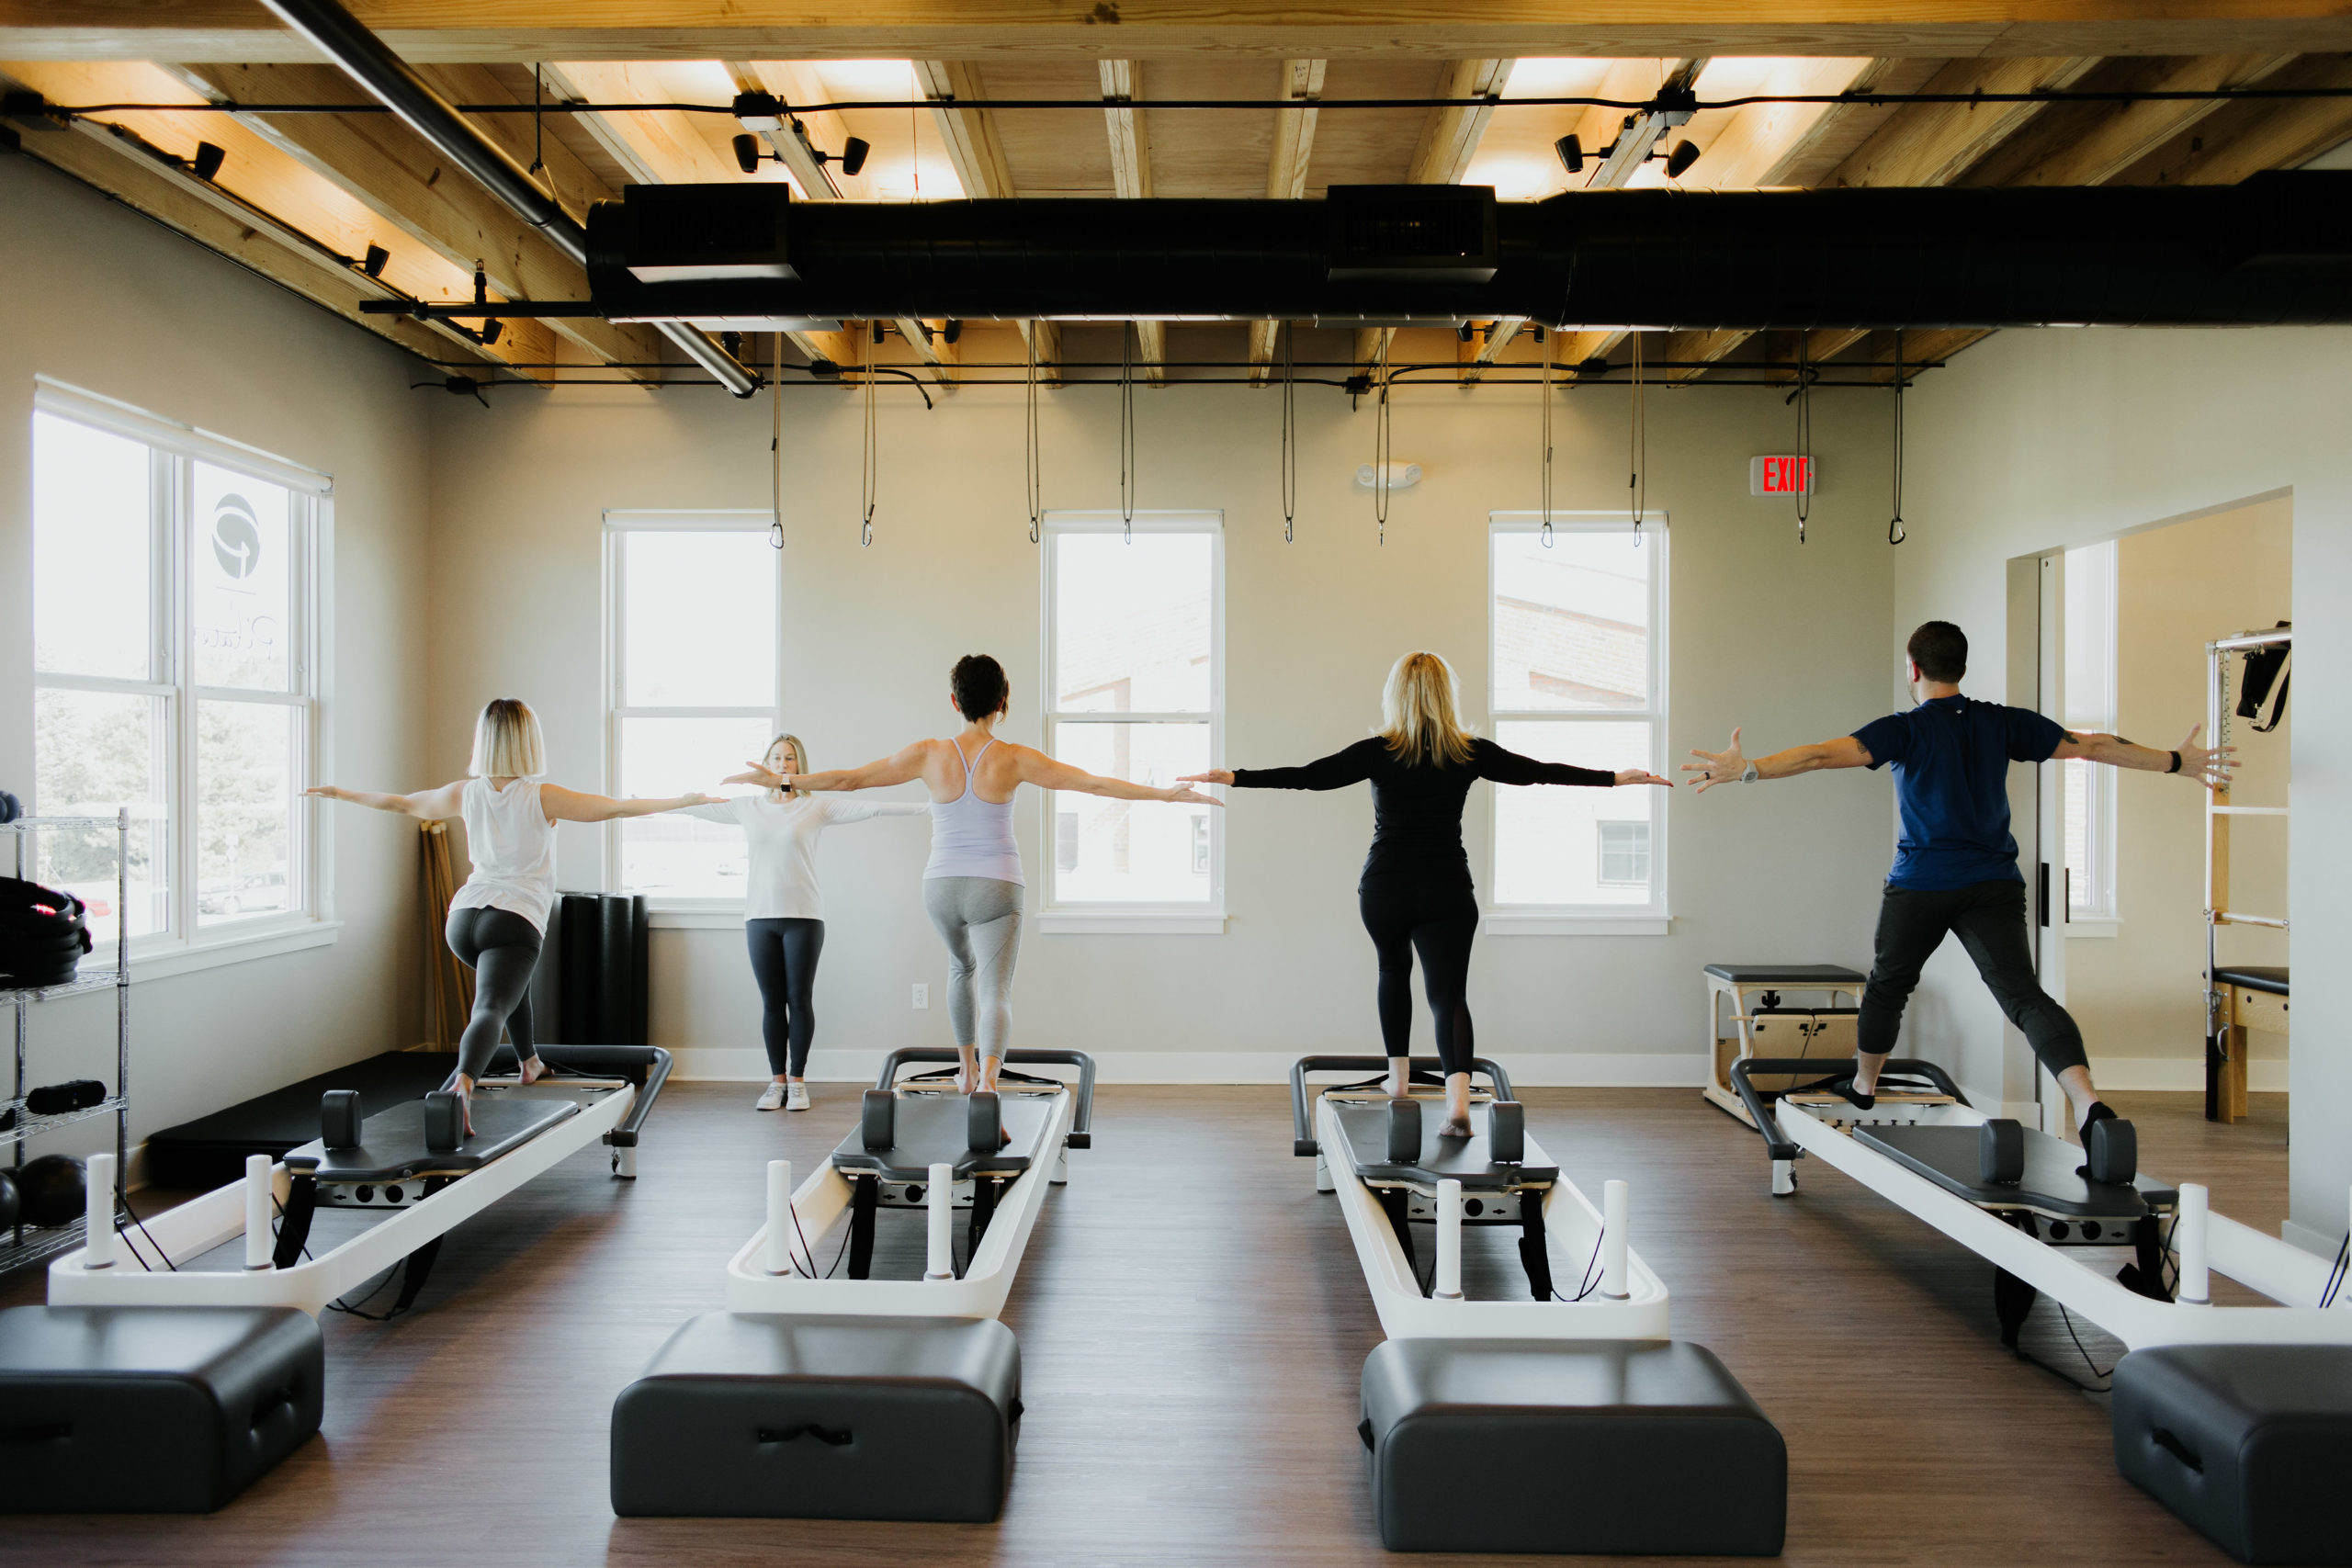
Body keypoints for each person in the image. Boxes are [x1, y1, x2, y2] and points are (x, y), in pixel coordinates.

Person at [1681, 619, 2233, 1131]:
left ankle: (1865, 1084)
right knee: (2023, 996)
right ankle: (2088, 1102)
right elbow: (2092, 745)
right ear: (1961, 668)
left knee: (1888, 986)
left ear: (1914, 669)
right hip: (1993, 884)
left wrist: (1748, 769)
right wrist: (2174, 761)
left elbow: (1821, 756)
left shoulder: (1906, 729)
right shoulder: (2003, 722)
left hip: (1921, 882)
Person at [1182, 651, 1670, 1137]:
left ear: (1395, 696)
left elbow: (1311, 777)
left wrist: (1236, 777)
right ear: (1446, 696)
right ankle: (1458, 1103)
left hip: (1385, 885)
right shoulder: (1468, 752)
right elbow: (1537, 770)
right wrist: (1612, 779)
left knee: (1392, 971)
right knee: (1449, 994)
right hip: (1447, 887)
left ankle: (1398, 1084)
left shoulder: (1378, 750)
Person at [729, 655, 1221, 1098]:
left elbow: (849, 779)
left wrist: (783, 780)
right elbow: (1091, 783)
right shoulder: (1014, 757)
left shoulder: (929, 752)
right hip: (997, 886)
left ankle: (963, 1070)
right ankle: (987, 1082)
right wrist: (1165, 796)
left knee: (959, 970)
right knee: (995, 991)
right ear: (1002, 703)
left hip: (940, 887)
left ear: (954, 700)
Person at [310, 698, 718, 1133]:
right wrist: (682, 800)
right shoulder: (542, 795)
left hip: (464, 917)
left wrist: (339, 793)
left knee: (507, 988)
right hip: (514, 917)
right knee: (489, 1005)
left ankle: (528, 1061)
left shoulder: (464, 792)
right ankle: (461, 1090)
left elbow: (403, 803)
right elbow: (614, 808)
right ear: (529, 742)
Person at [683, 733, 926, 1111]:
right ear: (765, 762)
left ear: (800, 766)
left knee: (799, 1000)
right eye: (776, 757)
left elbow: (874, 807)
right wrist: (642, 806)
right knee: (770, 1002)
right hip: (759, 916)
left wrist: (930, 808)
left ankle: (797, 1081)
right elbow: (694, 806)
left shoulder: (816, 807)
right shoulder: (747, 807)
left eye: (790, 758)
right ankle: (776, 1081)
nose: (782, 764)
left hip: (804, 917)